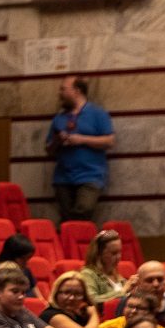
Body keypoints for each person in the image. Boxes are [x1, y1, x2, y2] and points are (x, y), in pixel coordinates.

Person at [46, 75, 114, 223]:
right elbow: (49, 149)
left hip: (90, 175)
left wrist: (81, 139)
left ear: (76, 91)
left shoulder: (98, 114)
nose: (60, 93)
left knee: (83, 211)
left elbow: (109, 141)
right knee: (66, 219)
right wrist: (59, 140)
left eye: (63, 89)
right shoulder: (59, 118)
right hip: (63, 177)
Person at [40, 271, 104, 328]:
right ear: (56, 293)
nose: (71, 298)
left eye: (77, 294)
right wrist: (93, 313)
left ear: (84, 297)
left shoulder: (79, 314)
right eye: (66, 293)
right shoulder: (51, 315)